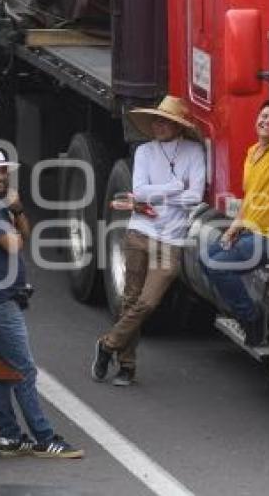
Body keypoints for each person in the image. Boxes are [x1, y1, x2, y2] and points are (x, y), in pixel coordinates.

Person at [0, 145, 84, 459]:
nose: (0, 177)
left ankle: (10, 438)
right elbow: (15, 244)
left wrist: (16, 211)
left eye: (3, 171)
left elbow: (23, 236)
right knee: (24, 370)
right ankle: (44, 437)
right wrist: (15, 210)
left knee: (1, 370)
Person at [92, 95, 206, 386]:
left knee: (148, 301)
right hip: (139, 233)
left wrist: (158, 193)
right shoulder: (144, 151)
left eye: (166, 121)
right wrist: (173, 186)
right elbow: (139, 192)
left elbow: (195, 197)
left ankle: (108, 344)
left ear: (178, 127)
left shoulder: (194, 151)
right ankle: (127, 366)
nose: (159, 125)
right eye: (156, 120)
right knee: (129, 300)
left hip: (171, 240)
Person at [202, 94, 269, 346]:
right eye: (264, 117)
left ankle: (251, 317)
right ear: (256, 121)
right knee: (206, 257)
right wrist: (232, 229)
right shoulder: (251, 152)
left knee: (219, 266)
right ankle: (243, 311)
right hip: (248, 232)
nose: (268, 122)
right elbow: (250, 197)